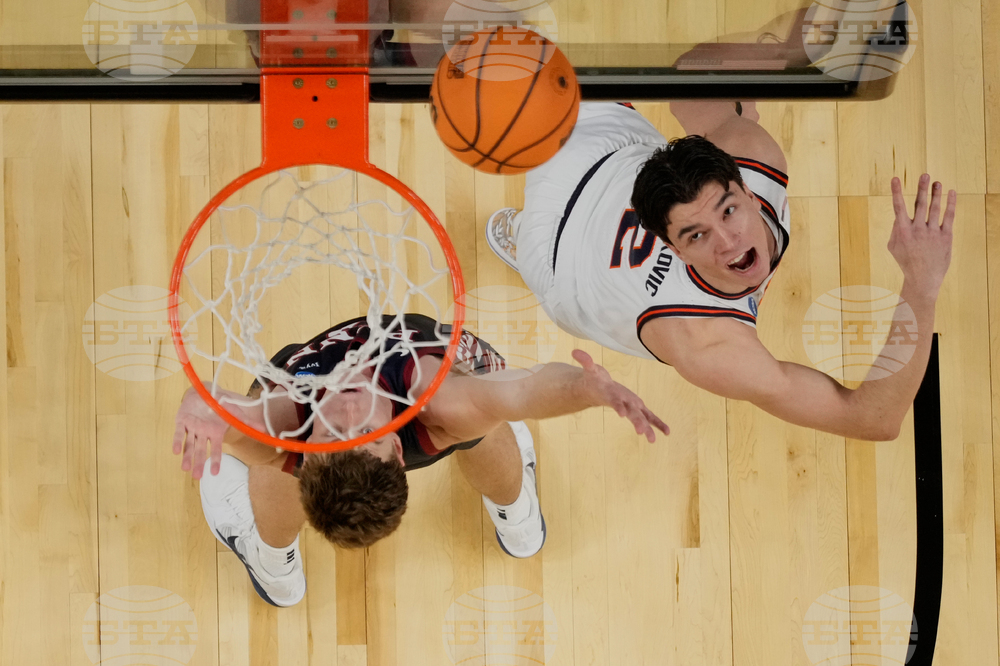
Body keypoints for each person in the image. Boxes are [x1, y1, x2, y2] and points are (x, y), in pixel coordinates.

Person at [486, 100, 956, 443]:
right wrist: (922, 283)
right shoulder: (709, 344)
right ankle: (521, 239)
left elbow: (688, 81)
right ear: (672, 247)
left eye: (728, 211)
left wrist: (779, 46)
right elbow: (872, 419)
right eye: (696, 236)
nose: (728, 242)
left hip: (618, 145)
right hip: (559, 260)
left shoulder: (754, 152)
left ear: (749, 193)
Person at [173, 314, 668, 607]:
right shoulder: (442, 407)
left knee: (271, 460)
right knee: (486, 419)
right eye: (361, 432)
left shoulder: (293, 427)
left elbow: (225, 416)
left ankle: (274, 565)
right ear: (392, 448)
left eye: (332, 433)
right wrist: (585, 390)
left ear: (313, 444)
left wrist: (208, 411)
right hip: (450, 382)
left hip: (307, 431)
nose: (346, 409)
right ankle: (517, 514)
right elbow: (525, 393)